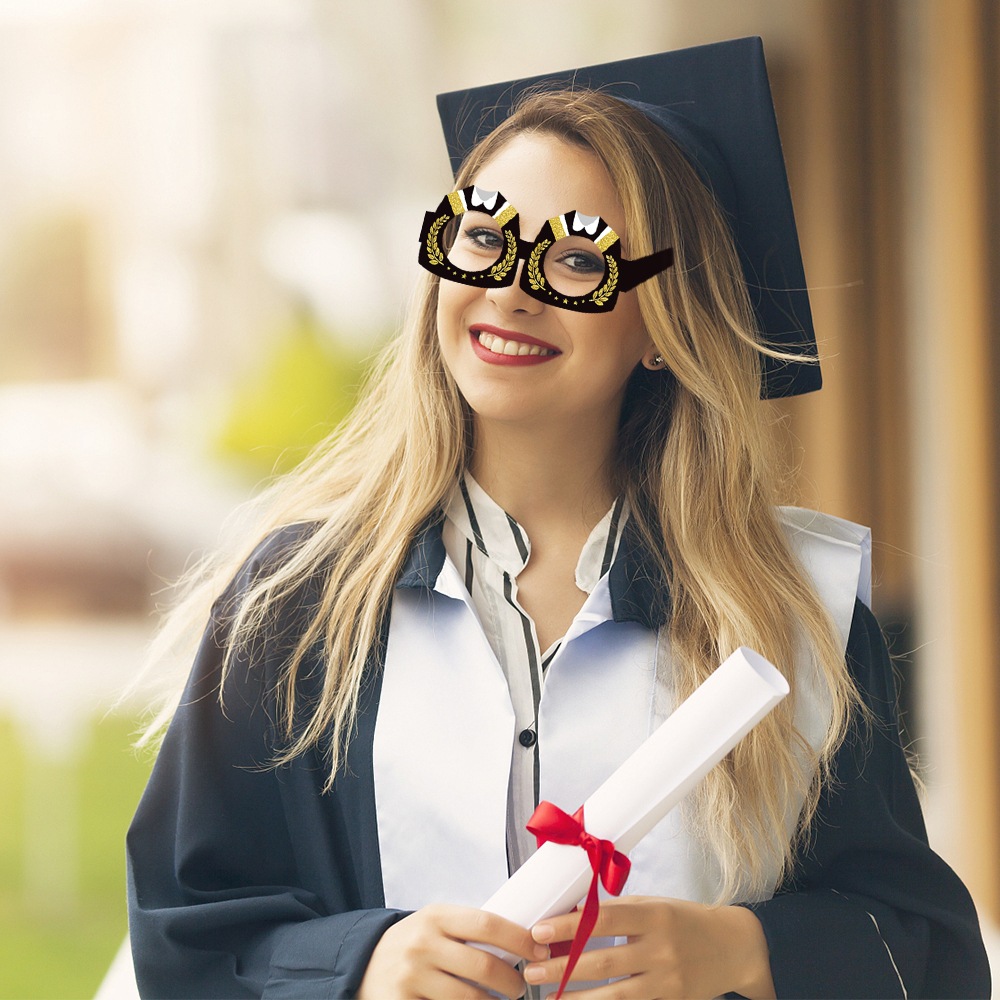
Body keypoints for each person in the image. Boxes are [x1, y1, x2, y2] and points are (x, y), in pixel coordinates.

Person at [126, 38, 990, 999]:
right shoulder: (301, 606)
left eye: (579, 260)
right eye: (483, 238)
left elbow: (928, 945)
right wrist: (360, 966)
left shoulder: (790, 619)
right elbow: (187, 935)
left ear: (663, 324)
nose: (509, 288)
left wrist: (744, 951)